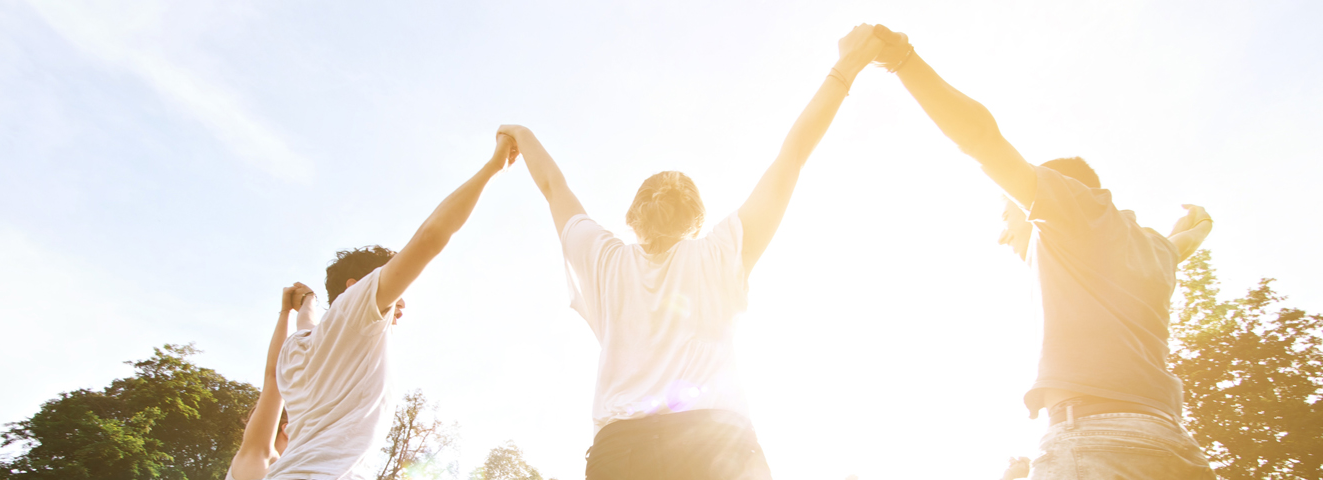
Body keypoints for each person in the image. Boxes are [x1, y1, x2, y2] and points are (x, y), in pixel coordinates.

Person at [497, 24, 884, 480]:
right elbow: (792, 156)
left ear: (633, 215)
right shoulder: (721, 251)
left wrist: (520, 131)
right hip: (714, 443)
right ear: (696, 219)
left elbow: (552, 186)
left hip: (621, 453)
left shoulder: (603, 260)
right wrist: (846, 66)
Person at [868, 25, 1217, 479]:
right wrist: (1200, 225)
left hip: (1097, 442)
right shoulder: (1151, 251)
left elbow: (982, 140)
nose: (1004, 233)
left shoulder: (1072, 209)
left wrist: (903, 61)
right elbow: (1181, 244)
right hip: (1174, 445)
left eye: (1008, 213)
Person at [261, 134, 517, 480]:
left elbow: (306, 320)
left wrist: (304, 301)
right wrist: (492, 168)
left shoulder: (297, 347)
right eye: (393, 283)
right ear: (355, 287)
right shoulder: (356, 310)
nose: (401, 297)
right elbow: (429, 238)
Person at [227, 282, 318, 480]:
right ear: (286, 429)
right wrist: (286, 312)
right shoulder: (260, 457)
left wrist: (287, 311)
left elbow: (274, 377)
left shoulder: (284, 469)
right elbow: (275, 377)